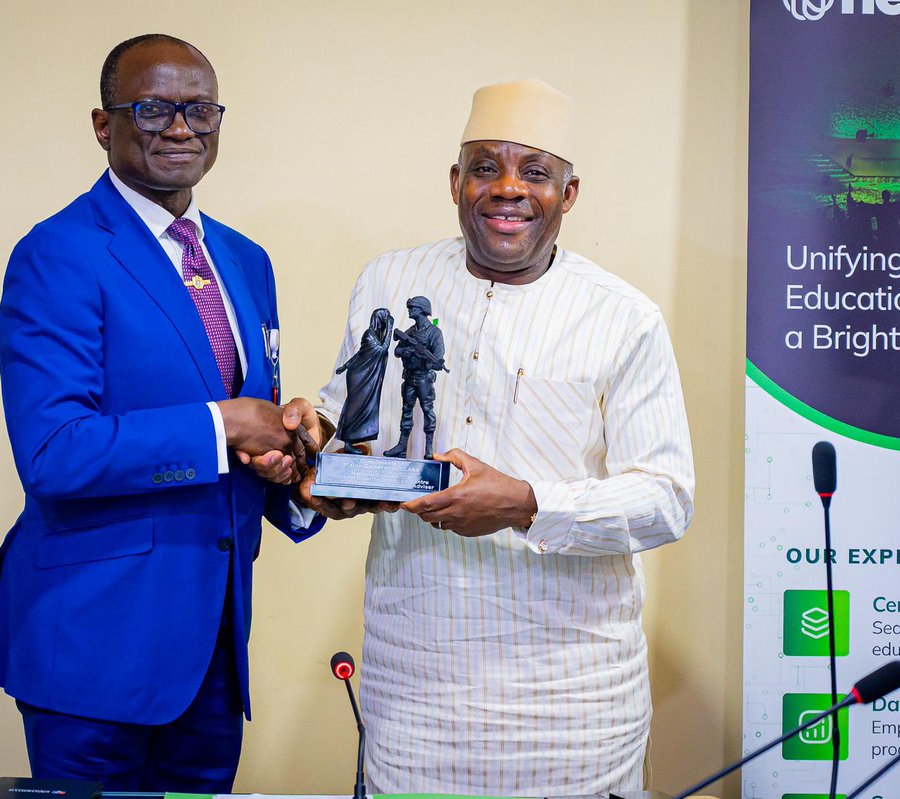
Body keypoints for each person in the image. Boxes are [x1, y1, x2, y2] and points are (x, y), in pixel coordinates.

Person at [298, 79, 695, 795]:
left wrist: (526, 503)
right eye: (486, 168)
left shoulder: (623, 317)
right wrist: (319, 458)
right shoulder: (389, 280)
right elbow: (350, 420)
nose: (508, 188)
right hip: (413, 691)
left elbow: (666, 500)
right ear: (456, 182)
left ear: (568, 195)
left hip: (573, 701)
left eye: (534, 172)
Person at [0, 34, 322, 792]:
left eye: (200, 109)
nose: (181, 128)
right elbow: (55, 452)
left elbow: (244, 427)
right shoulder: (59, 252)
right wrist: (224, 424)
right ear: (104, 125)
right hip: (95, 649)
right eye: (154, 109)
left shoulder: (245, 259)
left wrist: (295, 466)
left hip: (215, 653)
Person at [382, 296, 446, 460]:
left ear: (422, 310)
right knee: (406, 411)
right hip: (410, 378)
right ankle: (401, 447)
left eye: (412, 307)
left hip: (424, 378)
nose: (409, 310)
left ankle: (429, 448)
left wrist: (427, 361)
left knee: (428, 411)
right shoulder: (410, 332)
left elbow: (438, 360)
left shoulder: (434, 333)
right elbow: (397, 351)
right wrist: (406, 352)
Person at [334, 307, 394, 450]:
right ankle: (347, 441)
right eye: (385, 318)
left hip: (368, 374)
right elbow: (382, 349)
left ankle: (353, 440)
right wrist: (390, 327)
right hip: (359, 375)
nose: (387, 320)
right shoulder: (369, 334)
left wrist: (345, 365)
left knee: (364, 407)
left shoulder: (377, 335)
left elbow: (360, 353)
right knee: (354, 407)